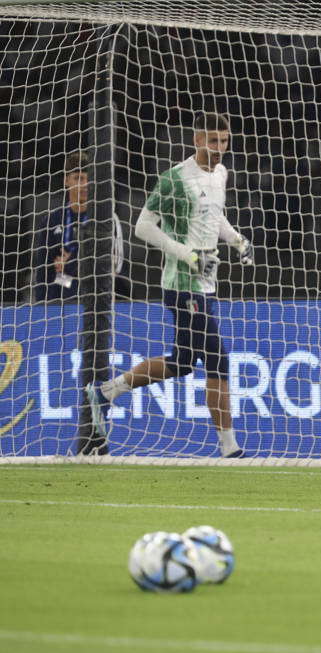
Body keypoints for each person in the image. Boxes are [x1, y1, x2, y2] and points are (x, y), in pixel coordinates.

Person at [84, 112, 253, 458]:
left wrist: (237, 240)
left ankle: (105, 392)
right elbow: (143, 227)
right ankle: (229, 449)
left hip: (206, 281)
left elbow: (213, 214)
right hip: (181, 282)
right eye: (212, 140)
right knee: (219, 359)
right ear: (196, 139)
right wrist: (188, 255)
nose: (219, 148)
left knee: (182, 363)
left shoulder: (221, 173)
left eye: (224, 141)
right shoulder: (175, 179)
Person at [33, 150, 124, 302]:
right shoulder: (51, 221)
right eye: (78, 178)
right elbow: (44, 273)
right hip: (59, 301)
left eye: (88, 179)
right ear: (66, 180)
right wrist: (42, 309)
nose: (84, 185)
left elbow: (115, 267)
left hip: (98, 299)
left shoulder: (107, 219)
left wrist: (70, 264)